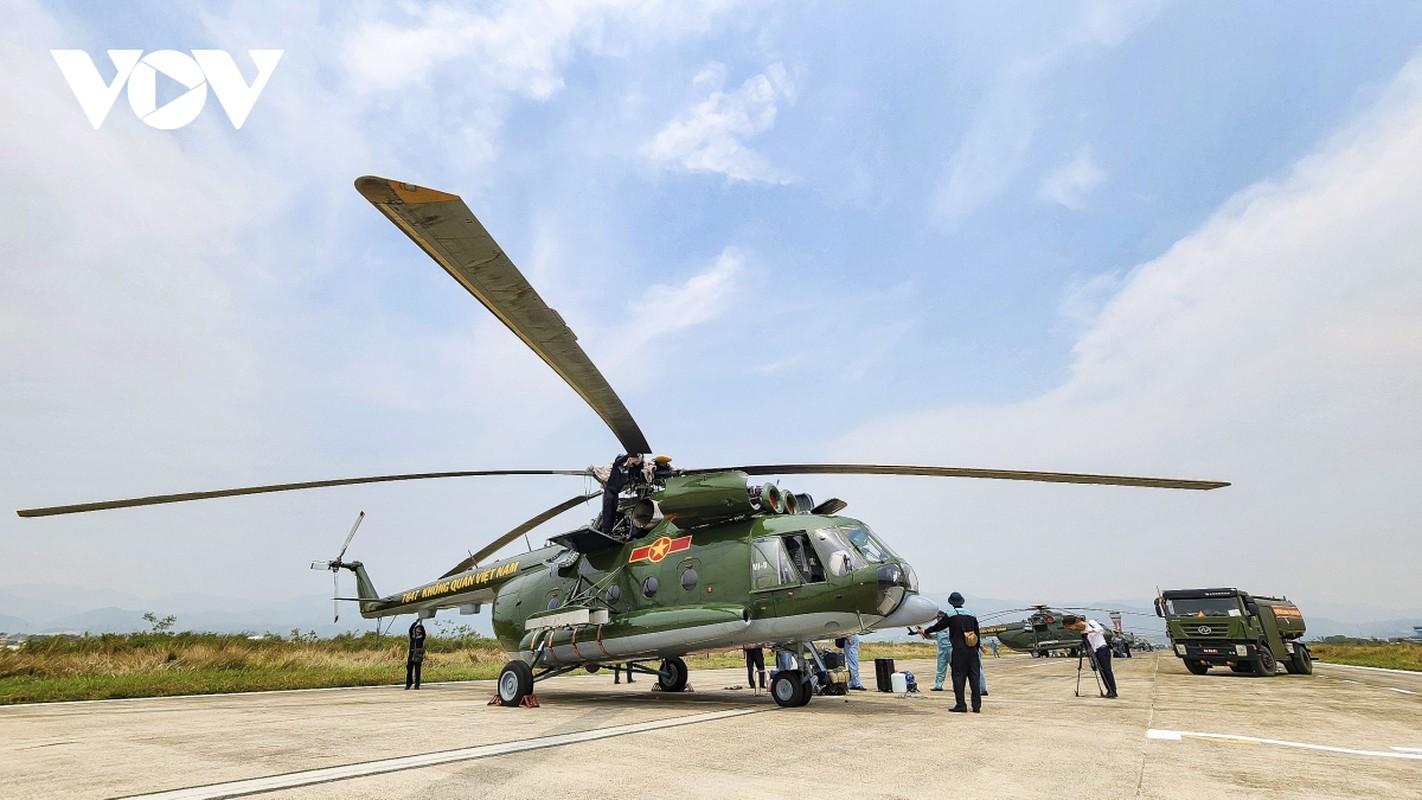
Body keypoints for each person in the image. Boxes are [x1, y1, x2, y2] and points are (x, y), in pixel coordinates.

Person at [923, 592, 982, 712]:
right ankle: (976, 706)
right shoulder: (972, 615)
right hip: (972, 651)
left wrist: (926, 631)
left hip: (959, 651)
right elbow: (977, 634)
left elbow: (939, 626)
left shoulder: (951, 614)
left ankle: (961, 704)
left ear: (951, 603)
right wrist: (976, 649)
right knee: (974, 677)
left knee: (958, 677)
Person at [1066, 615, 1118, 698]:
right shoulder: (1082, 632)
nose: (1073, 629)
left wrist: (1088, 632)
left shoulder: (1091, 623)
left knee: (1107, 670)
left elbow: (1101, 629)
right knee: (1101, 671)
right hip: (1096, 652)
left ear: (1076, 623)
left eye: (1071, 627)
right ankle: (1109, 690)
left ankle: (1113, 691)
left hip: (1103, 649)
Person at [915, 611, 953, 691]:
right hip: (941, 650)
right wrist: (923, 632)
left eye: (940, 617)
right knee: (940, 668)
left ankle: (956, 686)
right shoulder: (938, 628)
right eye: (937, 617)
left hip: (951, 649)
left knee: (955, 669)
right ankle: (938, 686)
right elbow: (931, 637)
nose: (938, 619)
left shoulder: (950, 626)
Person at [406, 619, 426, 690]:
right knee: (409, 670)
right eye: (417, 629)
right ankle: (408, 683)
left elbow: (424, 632)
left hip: (417, 655)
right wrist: (416, 622)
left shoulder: (421, 637)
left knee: (417, 671)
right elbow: (410, 629)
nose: (418, 630)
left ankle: (417, 685)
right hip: (411, 654)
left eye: (419, 629)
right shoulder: (413, 637)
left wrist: (421, 625)